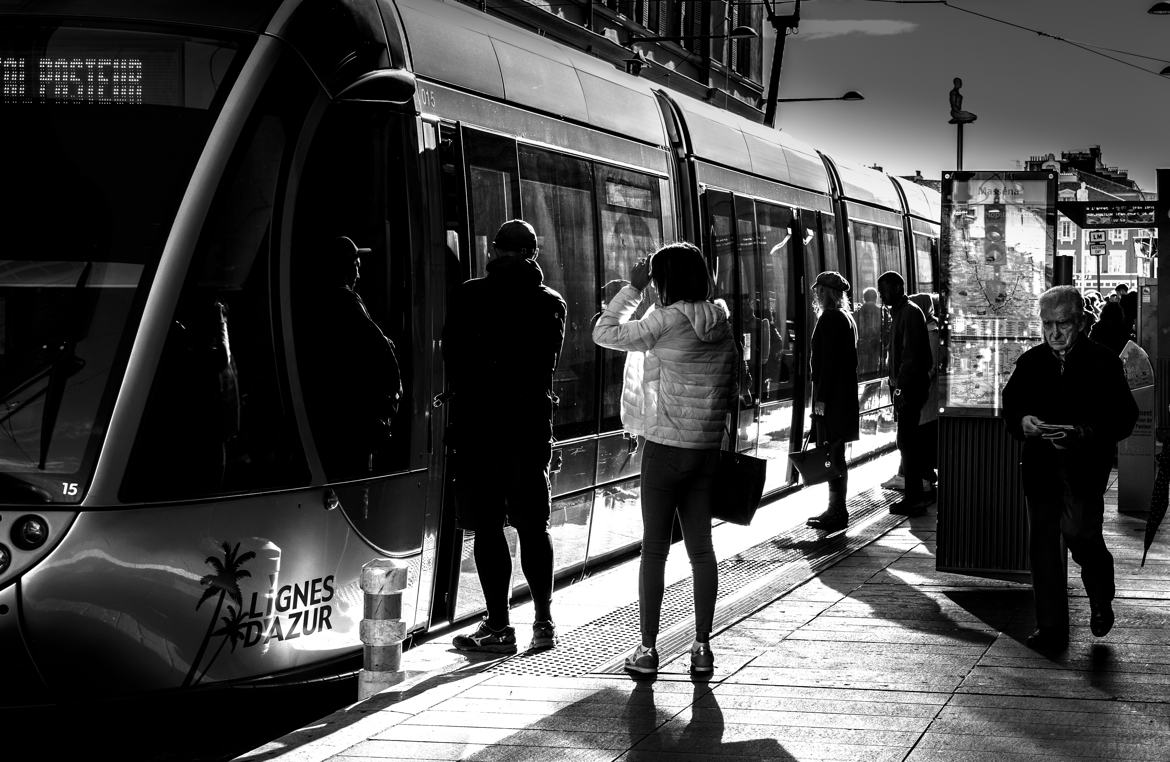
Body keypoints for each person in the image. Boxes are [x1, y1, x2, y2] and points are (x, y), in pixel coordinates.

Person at [592, 242, 736, 677]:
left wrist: (632, 291)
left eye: (655, 278)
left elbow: (605, 332)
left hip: (665, 449)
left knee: (655, 550)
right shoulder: (722, 322)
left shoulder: (665, 320)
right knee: (701, 551)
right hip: (705, 450)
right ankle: (702, 648)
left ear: (664, 280)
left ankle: (648, 651)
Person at [444, 219, 567, 654]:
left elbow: (454, 360)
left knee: (489, 528)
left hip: (478, 430)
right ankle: (544, 622)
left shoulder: (468, 296)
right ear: (533, 254)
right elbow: (545, 366)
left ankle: (499, 626)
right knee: (534, 525)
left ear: (493, 251)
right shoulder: (551, 303)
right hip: (528, 428)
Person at [1002, 285, 1137, 653]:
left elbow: (1124, 418)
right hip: (1041, 468)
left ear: (1079, 322)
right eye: (1047, 325)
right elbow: (1011, 407)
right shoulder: (1031, 363)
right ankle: (1050, 628)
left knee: (1081, 533)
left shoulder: (1104, 362)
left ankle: (1099, 595)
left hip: (1083, 469)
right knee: (1043, 546)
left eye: (1061, 324)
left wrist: (1085, 433)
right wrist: (1023, 421)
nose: (1054, 334)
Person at [305, 236, 402, 480]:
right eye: (357, 265)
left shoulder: (315, 300)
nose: (359, 273)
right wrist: (392, 398)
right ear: (347, 267)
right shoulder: (346, 300)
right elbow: (379, 347)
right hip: (354, 417)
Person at [805, 271, 859, 532]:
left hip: (832, 400)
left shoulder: (829, 318)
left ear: (826, 292)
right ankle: (836, 509)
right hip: (843, 398)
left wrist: (819, 404)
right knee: (836, 454)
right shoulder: (846, 318)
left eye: (819, 290)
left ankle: (837, 512)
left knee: (832, 454)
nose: (815, 294)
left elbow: (826, 366)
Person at [878, 271, 932, 515]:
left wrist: (899, 388)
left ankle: (914, 498)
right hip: (907, 388)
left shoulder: (909, 313)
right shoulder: (902, 312)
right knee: (906, 441)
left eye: (885, 290)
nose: (881, 295)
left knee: (907, 442)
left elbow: (910, 357)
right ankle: (914, 496)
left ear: (898, 288)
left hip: (909, 390)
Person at [909, 293, 941, 488]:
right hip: (928, 396)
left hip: (926, 396)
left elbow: (930, 367)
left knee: (922, 437)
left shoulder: (930, 333)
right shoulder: (931, 329)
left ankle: (925, 478)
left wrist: (914, 384)